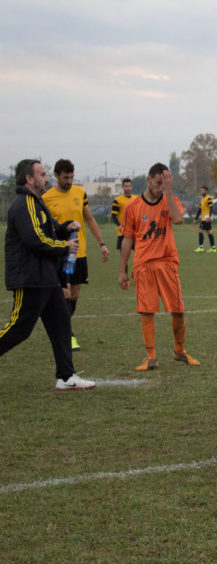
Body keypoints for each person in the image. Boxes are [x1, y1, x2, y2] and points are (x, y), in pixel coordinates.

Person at [0, 159, 95, 390]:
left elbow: (50, 229)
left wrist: (66, 227)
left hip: (46, 278)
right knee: (19, 329)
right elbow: (35, 239)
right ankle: (66, 375)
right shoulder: (25, 205)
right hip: (30, 279)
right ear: (29, 179)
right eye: (42, 174)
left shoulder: (37, 203)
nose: (46, 178)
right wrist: (65, 247)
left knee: (61, 322)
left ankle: (66, 376)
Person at [118, 163, 200, 371]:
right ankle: (151, 357)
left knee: (178, 310)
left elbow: (179, 219)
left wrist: (169, 192)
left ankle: (179, 351)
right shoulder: (133, 207)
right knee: (147, 312)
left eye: (164, 184)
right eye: (157, 183)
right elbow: (127, 239)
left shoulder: (169, 200)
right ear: (148, 179)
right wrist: (122, 270)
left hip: (167, 263)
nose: (160, 188)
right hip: (143, 265)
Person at [42, 159, 110, 350]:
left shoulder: (80, 193)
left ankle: (61, 328)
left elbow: (89, 218)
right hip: (60, 252)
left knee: (74, 295)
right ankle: (68, 334)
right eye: (65, 177)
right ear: (56, 176)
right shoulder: (47, 198)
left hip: (79, 253)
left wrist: (102, 243)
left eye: (71, 177)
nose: (69, 181)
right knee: (65, 291)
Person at [111, 178, 136, 250]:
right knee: (124, 255)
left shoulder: (136, 199)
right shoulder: (117, 200)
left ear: (132, 186)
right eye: (126, 186)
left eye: (129, 186)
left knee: (138, 254)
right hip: (123, 231)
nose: (128, 188)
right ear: (122, 187)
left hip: (135, 230)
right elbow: (113, 215)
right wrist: (119, 225)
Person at [193, 186, 216, 252]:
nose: (201, 192)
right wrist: (196, 218)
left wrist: (209, 216)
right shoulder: (202, 199)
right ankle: (213, 248)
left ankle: (201, 247)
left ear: (206, 191)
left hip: (206, 218)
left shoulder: (208, 198)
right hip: (204, 218)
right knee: (209, 232)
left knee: (200, 231)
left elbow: (211, 208)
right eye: (201, 190)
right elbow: (200, 210)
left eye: (203, 190)